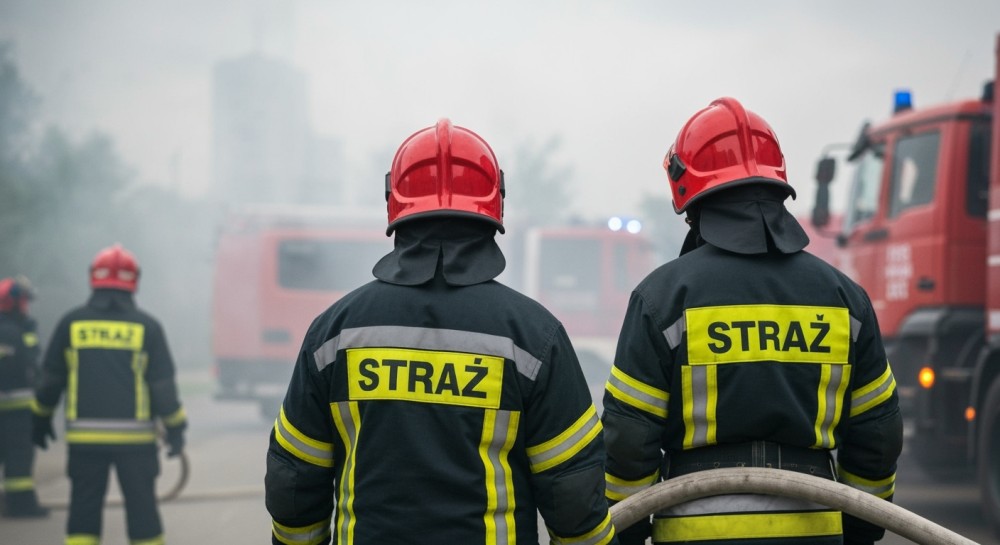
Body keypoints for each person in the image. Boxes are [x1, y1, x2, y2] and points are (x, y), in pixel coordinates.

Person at [265, 119, 617, 545]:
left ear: (393, 203)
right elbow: (573, 493)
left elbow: (294, 482)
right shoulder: (533, 337)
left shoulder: (334, 333)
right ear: (494, 205)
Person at [602, 98, 902, 545]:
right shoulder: (844, 297)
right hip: (816, 531)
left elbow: (629, 436)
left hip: (695, 532)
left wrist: (627, 528)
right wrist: (859, 527)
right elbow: (877, 431)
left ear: (688, 190)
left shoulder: (662, 298)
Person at [33, 243, 187, 545]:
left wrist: (40, 419)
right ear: (134, 280)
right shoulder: (148, 328)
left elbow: (50, 380)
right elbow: (163, 388)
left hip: (85, 443)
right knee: (144, 515)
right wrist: (176, 429)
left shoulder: (71, 323)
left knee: (83, 514)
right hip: (136, 445)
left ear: (95, 278)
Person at [0, 276, 49, 518]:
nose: (27, 306)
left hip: (13, 407)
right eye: (24, 301)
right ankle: (21, 506)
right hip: (16, 409)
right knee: (19, 459)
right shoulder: (13, 331)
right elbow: (29, 366)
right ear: (13, 303)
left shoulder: (16, 328)